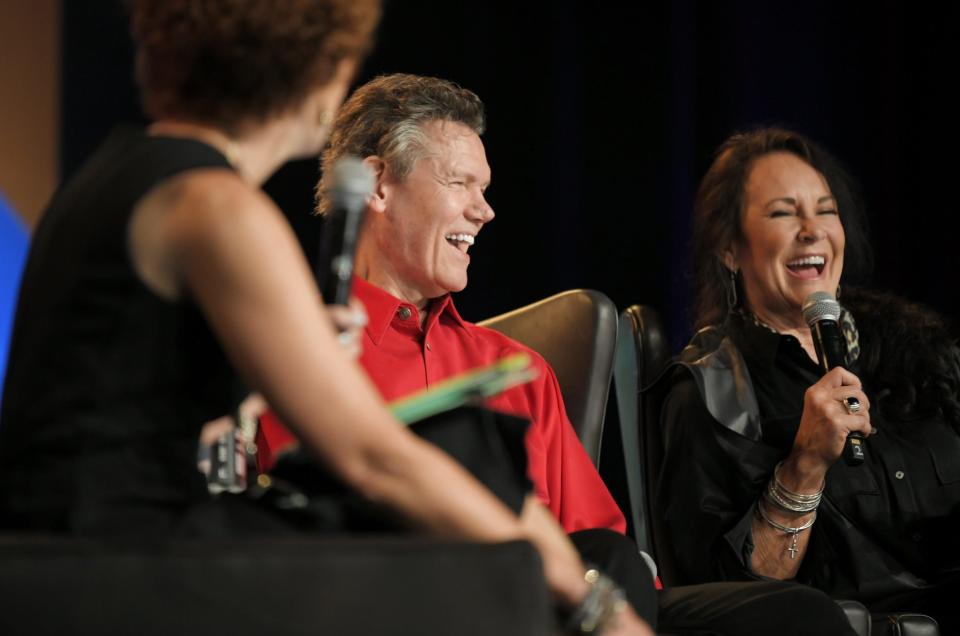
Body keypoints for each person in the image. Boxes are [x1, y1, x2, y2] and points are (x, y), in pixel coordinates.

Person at [0, 3, 653, 634]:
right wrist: (589, 596)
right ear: (322, 69)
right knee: (481, 533)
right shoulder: (216, 206)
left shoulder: (114, 178)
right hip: (120, 566)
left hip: (69, 547)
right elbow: (371, 456)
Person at [257, 76, 860, 635]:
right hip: (400, 603)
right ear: (380, 184)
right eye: (459, 183)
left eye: (485, 190)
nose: (484, 210)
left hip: (569, 608)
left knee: (797, 617)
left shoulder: (515, 368)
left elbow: (603, 545)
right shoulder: (292, 345)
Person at [656, 126, 960, 630]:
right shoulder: (712, 387)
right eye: (782, 213)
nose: (812, 229)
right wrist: (807, 462)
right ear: (731, 248)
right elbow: (736, 598)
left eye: (825, 209)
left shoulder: (924, 355)